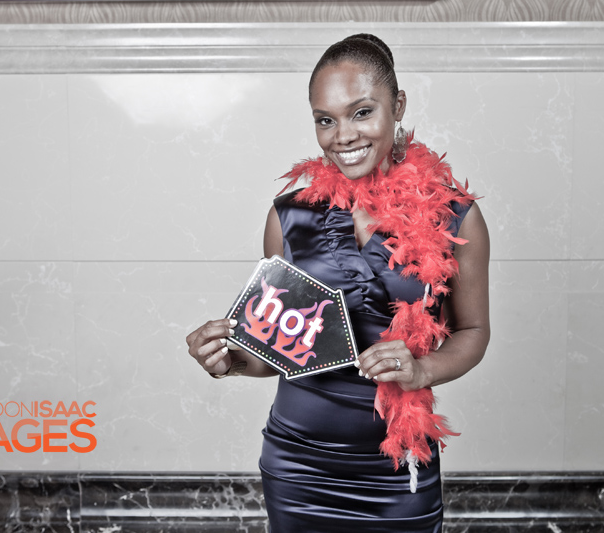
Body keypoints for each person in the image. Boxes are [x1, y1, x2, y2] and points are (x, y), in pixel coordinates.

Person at [186, 33, 490, 532]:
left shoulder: (457, 218)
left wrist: (421, 371)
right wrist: (232, 361)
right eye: (325, 120)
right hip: (298, 465)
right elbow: (281, 349)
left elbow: (474, 331)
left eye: (362, 112)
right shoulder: (289, 218)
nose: (342, 136)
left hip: (395, 470)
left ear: (398, 106)